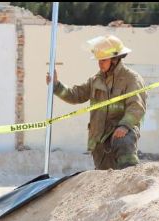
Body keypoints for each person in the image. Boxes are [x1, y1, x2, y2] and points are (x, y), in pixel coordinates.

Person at [46, 35, 147, 170]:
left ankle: (132, 180)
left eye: (104, 60)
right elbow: (75, 95)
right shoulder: (95, 80)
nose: (100, 64)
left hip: (121, 133)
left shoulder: (131, 79)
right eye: (99, 60)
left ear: (115, 59)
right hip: (99, 140)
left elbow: (136, 107)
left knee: (124, 148)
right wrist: (57, 86)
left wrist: (124, 126)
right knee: (103, 181)